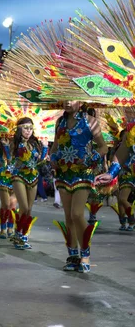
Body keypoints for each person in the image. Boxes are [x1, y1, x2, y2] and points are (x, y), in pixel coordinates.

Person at [52, 102, 107, 272]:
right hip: (64, 173)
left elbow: (103, 147)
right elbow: (55, 145)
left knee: (77, 214)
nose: (68, 103)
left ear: (81, 102)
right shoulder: (59, 122)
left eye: (72, 99)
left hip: (83, 173)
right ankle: (73, 256)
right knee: (69, 217)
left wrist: (91, 159)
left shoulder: (90, 121)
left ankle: (86, 253)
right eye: (65, 99)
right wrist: (52, 158)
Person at [10, 118, 48, 250]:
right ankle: (18, 233)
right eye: (25, 128)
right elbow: (11, 154)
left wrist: (45, 147)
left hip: (33, 177)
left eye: (30, 128)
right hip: (18, 176)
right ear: (20, 129)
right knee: (24, 207)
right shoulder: (14, 143)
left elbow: (40, 161)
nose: (28, 131)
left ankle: (23, 235)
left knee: (29, 209)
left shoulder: (34, 143)